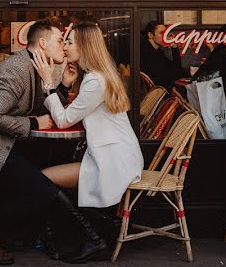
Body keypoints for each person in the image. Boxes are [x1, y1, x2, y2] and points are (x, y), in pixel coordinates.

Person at [0, 19, 110, 265]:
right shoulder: (16, 70)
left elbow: (35, 106)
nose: (64, 47)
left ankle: (27, 232)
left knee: (45, 170)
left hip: (7, 142)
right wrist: (33, 125)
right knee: (41, 187)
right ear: (43, 44)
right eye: (60, 40)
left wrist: (64, 86)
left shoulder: (36, 65)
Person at [32, 22, 143, 210]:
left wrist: (48, 83)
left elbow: (63, 120)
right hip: (118, 156)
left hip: (112, 163)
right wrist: (66, 83)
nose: (64, 47)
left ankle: (91, 232)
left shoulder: (95, 81)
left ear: (84, 46)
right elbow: (71, 113)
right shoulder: (97, 75)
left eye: (69, 42)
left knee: (43, 178)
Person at [140, 21, 185, 89]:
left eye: (165, 33)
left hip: (163, 89)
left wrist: (174, 48)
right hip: (160, 93)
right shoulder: (147, 53)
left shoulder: (157, 51)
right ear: (150, 35)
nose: (165, 36)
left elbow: (177, 70)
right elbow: (171, 75)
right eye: (161, 33)